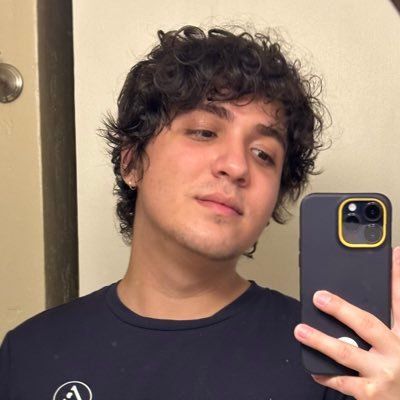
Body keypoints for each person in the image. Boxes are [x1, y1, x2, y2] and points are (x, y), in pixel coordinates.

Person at [1, 25, 400, 400]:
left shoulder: (336, 361)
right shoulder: (29, 354)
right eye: (205, 132)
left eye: (263, 154)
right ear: (132, 162)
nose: (237, 166)